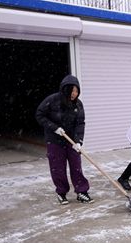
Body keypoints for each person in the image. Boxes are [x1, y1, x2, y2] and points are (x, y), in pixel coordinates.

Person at [35, 74, 94, 205]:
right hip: (54, 141)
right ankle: (61, 193)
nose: (74, 94)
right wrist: (54, 128)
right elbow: (39, 115)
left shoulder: (78, 104)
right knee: (57, 168)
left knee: (76, 167)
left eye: (77, 91)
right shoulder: (52, 100)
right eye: (72, 90)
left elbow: (80, 123)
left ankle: (82, 192)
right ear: (65, 89)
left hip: (71, 140)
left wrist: (79, 141)